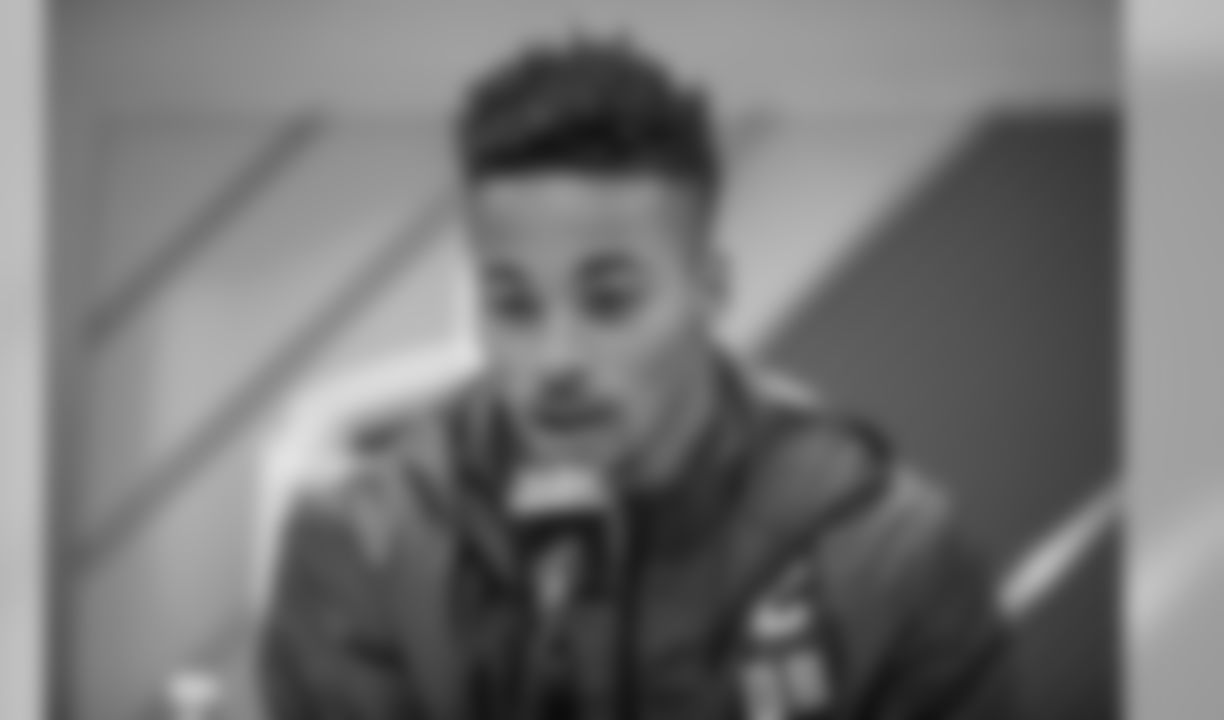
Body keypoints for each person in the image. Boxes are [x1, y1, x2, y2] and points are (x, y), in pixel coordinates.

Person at [258, 36, 1015, 720]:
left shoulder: (891, 555)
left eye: (609, 301)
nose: (555, 360)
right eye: (513, 304)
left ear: (710, 289)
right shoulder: (356, 546)